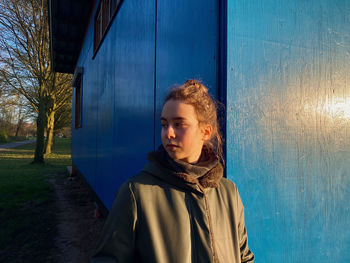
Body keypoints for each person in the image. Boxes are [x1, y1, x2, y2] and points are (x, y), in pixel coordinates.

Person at [91, 80, 254, 263]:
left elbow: (244, 256)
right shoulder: (136, 193)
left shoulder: (228, 192)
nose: (168, 133)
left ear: (205, 132)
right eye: (164, 124)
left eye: (178, 124)